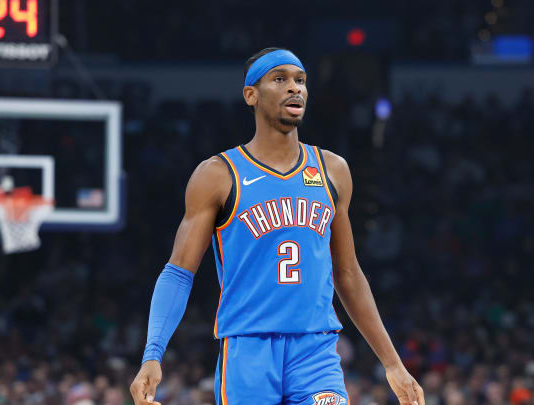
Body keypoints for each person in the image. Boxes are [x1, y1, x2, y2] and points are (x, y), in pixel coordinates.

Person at [130, 47, 425, 405]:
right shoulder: (218, 175)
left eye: (300, 80)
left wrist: (392, 364)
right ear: (251, 94)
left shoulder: (333, 170)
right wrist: (152, 354)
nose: (294, 88)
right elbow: (179, 273)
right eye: (280, 79)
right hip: (248, 350)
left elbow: (348, 273)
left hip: (316, 349)